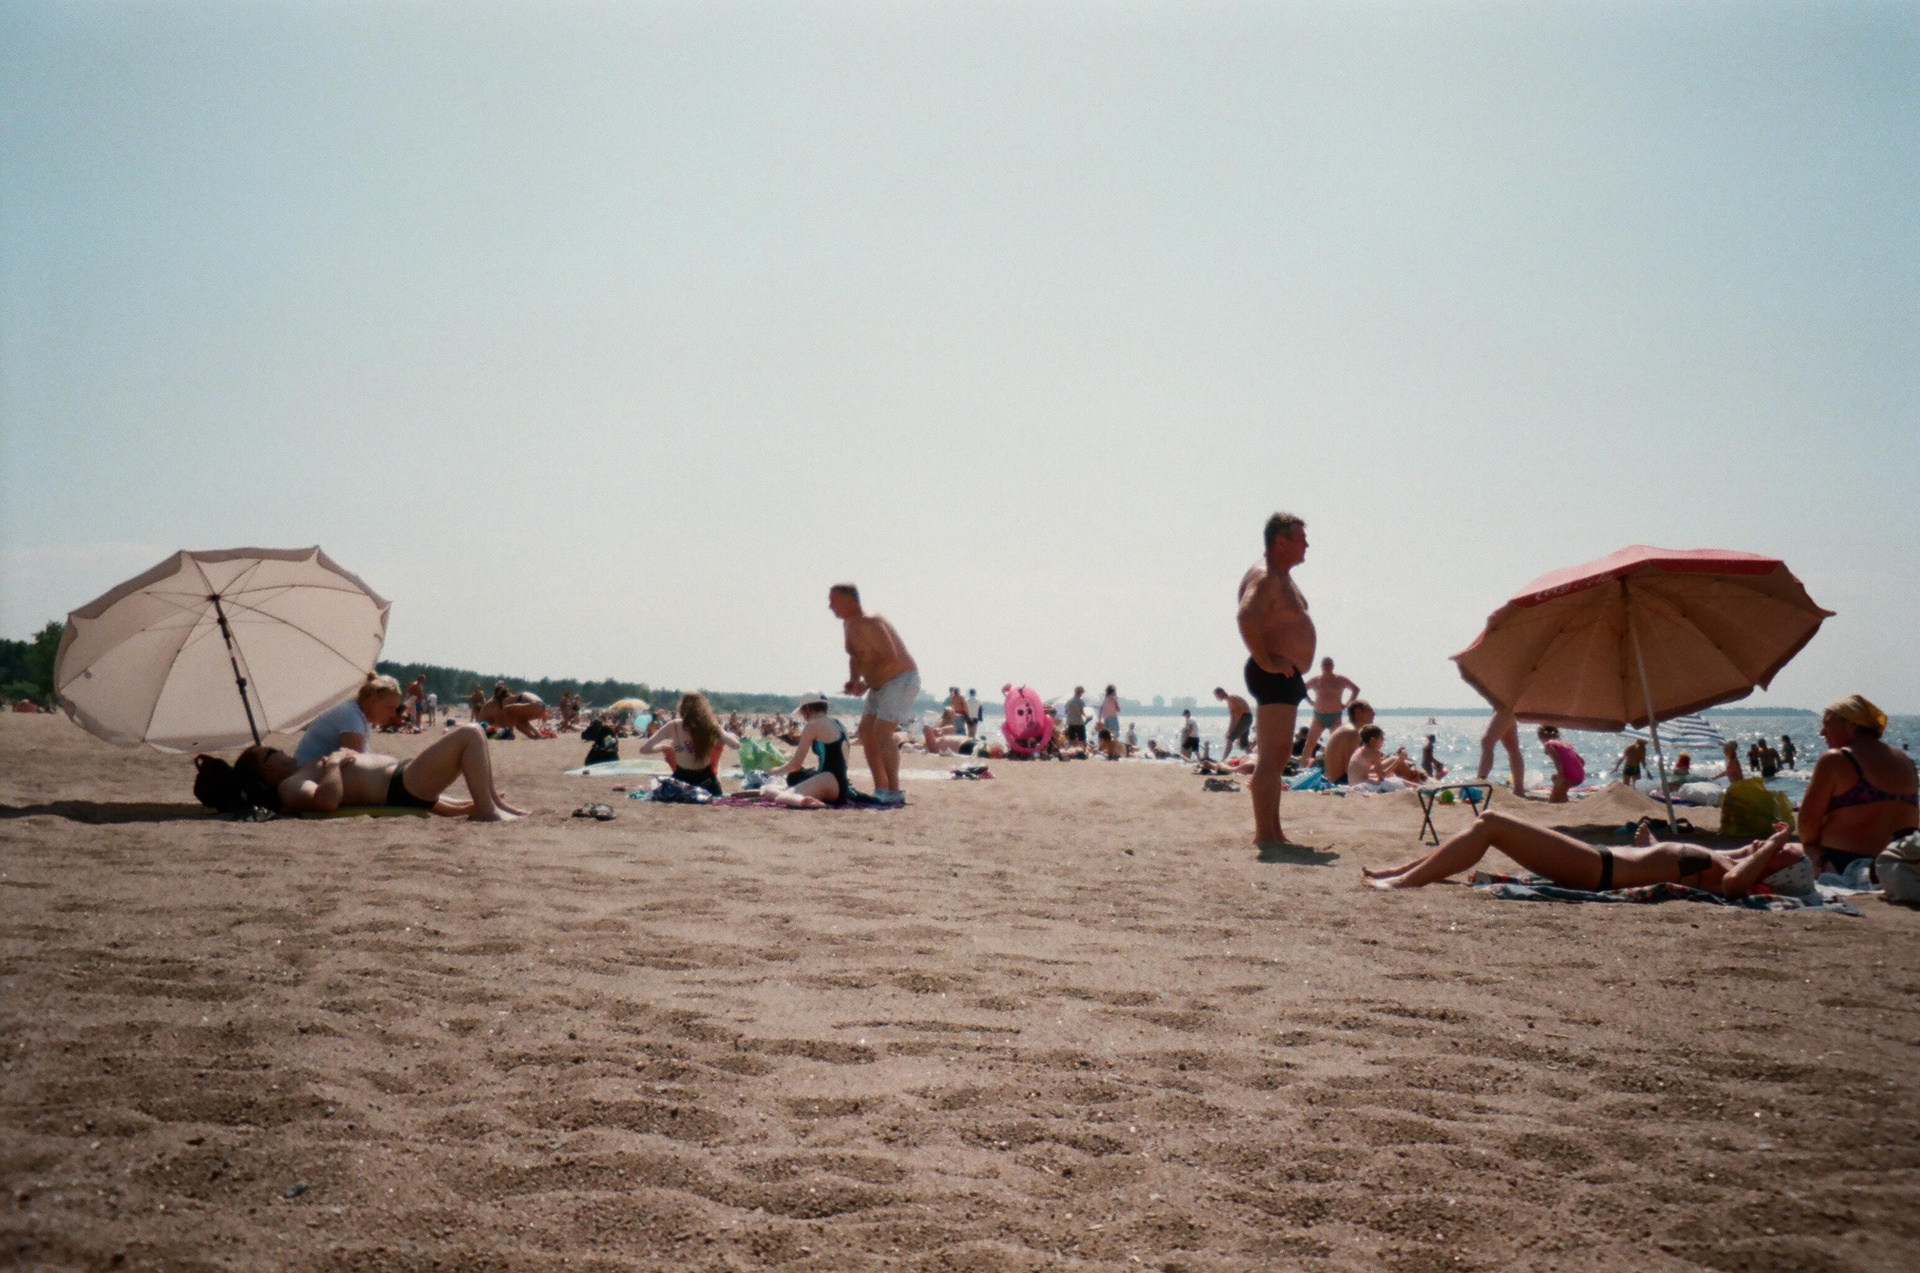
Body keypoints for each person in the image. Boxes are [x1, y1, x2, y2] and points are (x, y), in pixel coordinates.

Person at [1363, 811, 1808, 899]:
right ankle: (1404, 870)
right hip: (1601, 861)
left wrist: (1772, 844)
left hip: (1597, 870)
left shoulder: (1735, 876)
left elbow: (1734, 885)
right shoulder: (1732, 858)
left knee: (1493, 823)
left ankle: (1404, 882)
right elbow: (1670, 863)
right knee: (1488, 823)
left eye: (1782, 850)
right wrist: (1651, 847)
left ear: (1778, 871)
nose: (1771, 843)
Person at [224, 724, 526, 821]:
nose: (281, 750)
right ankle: (488, 811)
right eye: (273, 751)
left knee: (475, 736)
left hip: (404, 780)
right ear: (267, 766)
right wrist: (334, 764)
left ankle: (493, 805)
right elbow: (326, 801)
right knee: (471, 733)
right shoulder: (289, 786)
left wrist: (461, 807)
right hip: (401, 784)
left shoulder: (300, 771)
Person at [1237, 512, 1315, 849]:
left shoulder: (1282, 578)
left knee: (1278, 756)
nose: (1307, 545)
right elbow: (1246, 615)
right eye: (1301, 539)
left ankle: (1274, 831)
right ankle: (1264, 835)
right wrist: (1266, 661)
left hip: (1285, 675)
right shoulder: (1266, 576)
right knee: (1271, 757)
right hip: (1273, 675)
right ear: (1280, 542)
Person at [1796, 695, 1918, 879]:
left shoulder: (1836, 759)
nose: (1822, 732)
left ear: (1852, 726)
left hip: (1843, 864)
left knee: (1784, 853)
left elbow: (1807, 831)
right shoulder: (1905, 761)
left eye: (1828, 724)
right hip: (1899, 865)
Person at [830, 583, 919, 806]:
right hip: (878, 684)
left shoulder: (870, 621)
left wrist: (865, 684)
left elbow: (890, 656)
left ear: (849, 600)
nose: (830, 606)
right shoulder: (848, 624)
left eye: (833, 601)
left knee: (882, 731)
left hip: (900, 679)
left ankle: (895, 791)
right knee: (865, 732)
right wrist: (854, 680)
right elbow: (856, 656)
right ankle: (881, 789)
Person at [635, 692, 738, 796]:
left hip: (681, 782)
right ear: (704, 709)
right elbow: (735, 745)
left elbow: (644, 749)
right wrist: (724, 734)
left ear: (681, 708)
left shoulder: (674, 726)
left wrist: (663, 747)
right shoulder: (710, 726)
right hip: (706, 782)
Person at [760, 693, 853, 808]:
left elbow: (796, 765)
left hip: (828, 780)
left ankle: (812, 803)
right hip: (842, 785)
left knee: (781, 798)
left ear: (808, 708)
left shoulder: (813, 725)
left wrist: (776, 771)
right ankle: (804, 799)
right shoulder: (838, 723)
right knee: (768, 790)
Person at [294, 674, 404, 767]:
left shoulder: (359, 714)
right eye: (389, 708)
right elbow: (357, 765)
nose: (393, 714)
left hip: (314, 769)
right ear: (372, 700)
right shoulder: (351, 715)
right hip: (306, 772)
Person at [1300, 657, 1359, 761]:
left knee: (1337, 743)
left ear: (1333, 666)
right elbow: (1302, 689)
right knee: (1310, 743)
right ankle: (1302, 765)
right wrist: (1310, 702)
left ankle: (1338, 764)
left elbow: (1355, 689)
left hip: (1335, 717)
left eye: (1329, 664)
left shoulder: (1340, 679)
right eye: (1325, 664)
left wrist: (1347, 704)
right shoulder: (1316, 680)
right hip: (1319, 716)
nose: (1327, 666)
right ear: (1321, 666)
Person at [1349, 725, 1428, 786]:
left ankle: (1419, 786)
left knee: (1391, 776)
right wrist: (1398, 761)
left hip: (1354, 784)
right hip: (1362, 786)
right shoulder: (1374, 753)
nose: (1383, 741)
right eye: (1381, 739)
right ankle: (1420, 787)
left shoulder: (1360, 750)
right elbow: (1382, 776)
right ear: (1372, 740)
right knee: (1396, 781)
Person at [1475, 707, 1525, 795]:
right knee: (1512, 746)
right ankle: (1519, 789)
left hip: (1507, 706)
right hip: (1505, 706)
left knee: (1487, 741)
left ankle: (1479, 784)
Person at [1321, 700, 1372, 784]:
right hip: (1341, 781)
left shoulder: (1349, 729)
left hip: (1339, 778)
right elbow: (1350, 768)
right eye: (1369, 710)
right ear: (1357, 712)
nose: (1373, 714)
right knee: (1393, 763)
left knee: (1391, 762)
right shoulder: (1351, 732)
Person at [479, 682, 548, 739]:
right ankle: (536, 735)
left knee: (511, 713)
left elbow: (508, 719)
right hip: (542, 707)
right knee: (520, 721)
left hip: (535, 706)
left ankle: (533, 735)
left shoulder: (508, 701)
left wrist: (505, 728)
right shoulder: (513, 697)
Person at [1537, 725, 1585, 803]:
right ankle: (1563, 798)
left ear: (1542, 736)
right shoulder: (1566, 744)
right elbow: (1582, 761)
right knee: (1554, 777)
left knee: (1552, 801)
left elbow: (1557, 761)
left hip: (1569, 777)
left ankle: (1560, 796)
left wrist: (1561, 776)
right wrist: (1575, 770)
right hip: (1580, 776)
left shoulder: (1548, 745)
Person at [1215, 687, 1253, 762]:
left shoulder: (1231, 700)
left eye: (1217, 696)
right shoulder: (1232, 699)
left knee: (1229, 739)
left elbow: (1233, 718)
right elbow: (1236, 716)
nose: (1217, 698)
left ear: (1221, 693)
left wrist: (1230, 731)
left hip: (1245, 718)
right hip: (1246, 718)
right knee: (1244, 745)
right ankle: (1255, 759)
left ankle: (1223, 760)